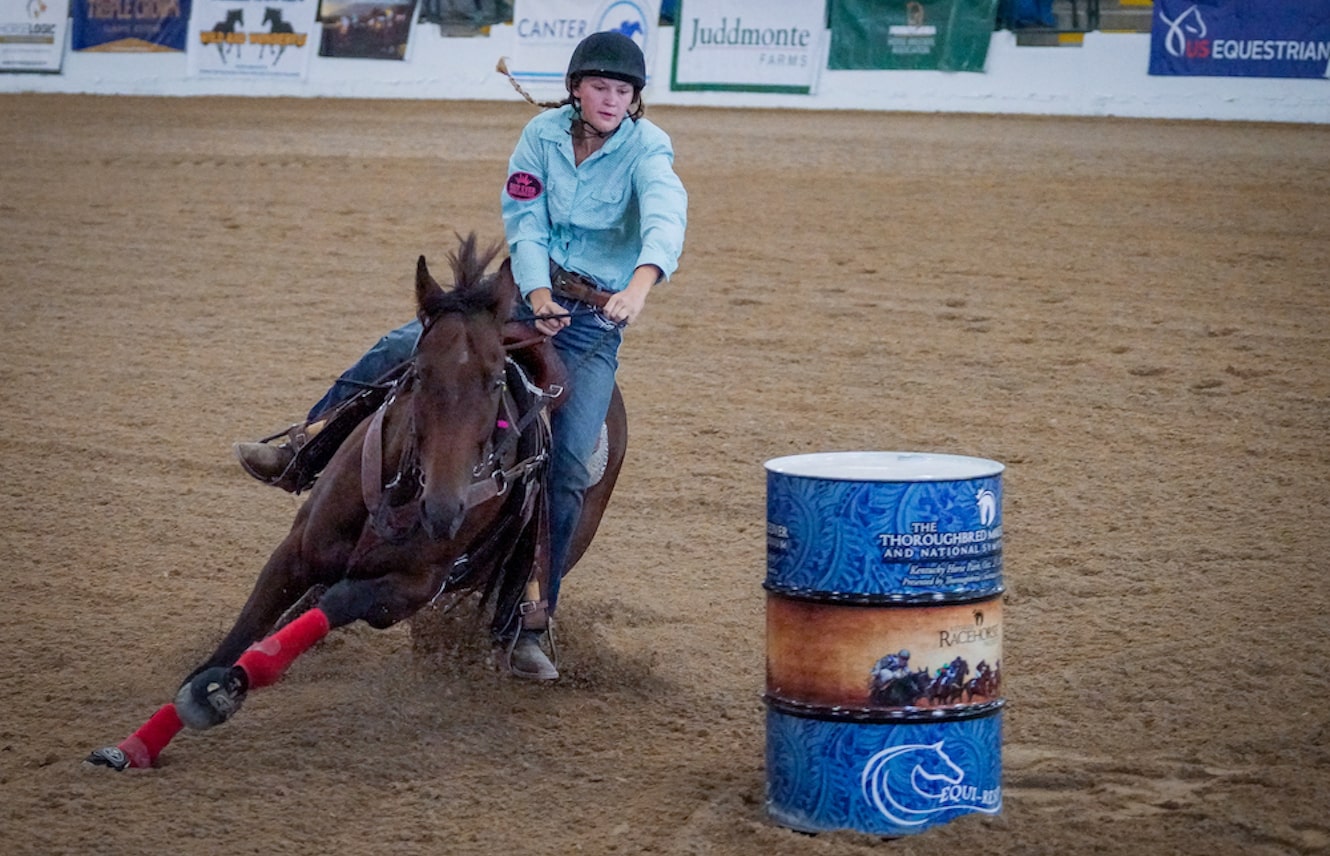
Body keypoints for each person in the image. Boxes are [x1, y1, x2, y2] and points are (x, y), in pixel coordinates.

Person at [233, 30, 688, 682]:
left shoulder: (648, 148)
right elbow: (524, 219)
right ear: (576, 89)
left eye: (623, 90)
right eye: (600, 86)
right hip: (524, 296)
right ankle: (302, 449)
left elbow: (666, 214)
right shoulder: (541, 137)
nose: (611, 99)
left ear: (634, 99)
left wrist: (639, 285)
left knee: (567, 465)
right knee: (402, 348)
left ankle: (531, 617)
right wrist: (533, 292)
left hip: (593, 326)